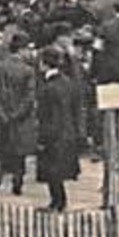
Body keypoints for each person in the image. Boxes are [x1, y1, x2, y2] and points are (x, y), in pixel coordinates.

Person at [0, 33, 37, 195]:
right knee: (19, 155)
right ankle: (17, 185)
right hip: (20, 120)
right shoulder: (28, 70)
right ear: (21, 50)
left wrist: (0, 113)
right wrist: (18, 114)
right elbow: (29, 97)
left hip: (1, 119)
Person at [36, 45, 82, 212]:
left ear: (44, 64)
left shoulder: (48, 88)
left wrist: (43, 138)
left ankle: (57, 202)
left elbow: (48, 116)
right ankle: (59, 201)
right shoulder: (67, 82)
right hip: (67, 132)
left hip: (53, 134)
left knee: (52, 171)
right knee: (57, 171)